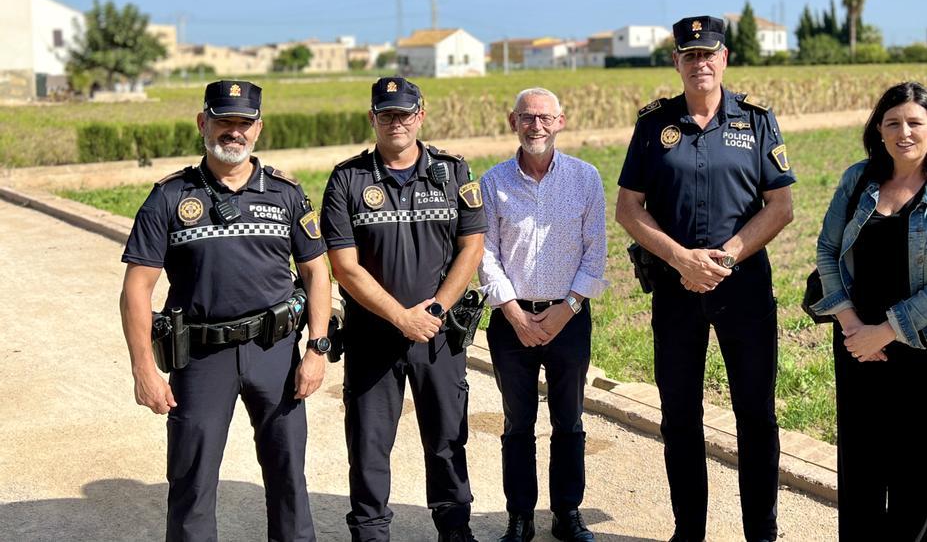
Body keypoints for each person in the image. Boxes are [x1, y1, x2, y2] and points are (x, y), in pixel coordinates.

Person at [120, 79, 330, 541]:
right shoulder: (170, 197)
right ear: (203, 123)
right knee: (191, 483)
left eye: (244, 123)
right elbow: (137, 286)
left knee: (288, 475)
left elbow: (317, 273)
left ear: (258, 128)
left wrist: (316, 350)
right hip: (200, 358)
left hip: (275, 352)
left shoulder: (286, 194)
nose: (233, 132)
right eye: (223, 121)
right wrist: (143, 368)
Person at [614, 16, 795, 542]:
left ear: (725, 58)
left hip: (742, 289)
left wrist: (725, 257)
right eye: (689, 55)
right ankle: (688, 531)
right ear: (677, 61)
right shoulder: (654, 124)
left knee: (755, 417)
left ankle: (761, 533)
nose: (700, 63)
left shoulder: (757, 121)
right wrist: (681, 260)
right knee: (680, 418)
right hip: (676, 291)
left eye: (708, 53)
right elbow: (629, 208)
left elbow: (780, 206)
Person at [320, 77, 486, 542]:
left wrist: (433, 310)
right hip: (373, 335)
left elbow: (471, 248)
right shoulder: (348, 179)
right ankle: (370, 531)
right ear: (372, 117)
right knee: (370, 443)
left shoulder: (452, 172)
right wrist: (401, 316)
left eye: (404, 113)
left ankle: (454, 528)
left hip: (438, 332)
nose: (396, 121)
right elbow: (344, 267)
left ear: (421, 115)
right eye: (386, 114)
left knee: (447, 435)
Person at [810, 81, 927, 540]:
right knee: (860, 467)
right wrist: (851, 325)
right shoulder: (857, 180)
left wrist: (885, 331)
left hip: (922, 346)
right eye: (893, 122)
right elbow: (827, 250)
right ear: (878, 130)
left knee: (916, 472)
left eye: (915, 122)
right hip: (855, 342)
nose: (904, 132)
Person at [477, 87, 607, 542]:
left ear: (561, 121)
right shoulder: (492, 182)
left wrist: (566, 310)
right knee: (517, 423)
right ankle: (520, 516)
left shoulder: (586, 178)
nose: (537, 126)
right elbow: (485, 255)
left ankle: (567, 514)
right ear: (513, 121)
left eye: (545, 118)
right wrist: (512, 311)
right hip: (512, 322)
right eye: (528, 118)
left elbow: (596, 254)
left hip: (568, 319)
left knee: (569, 420)